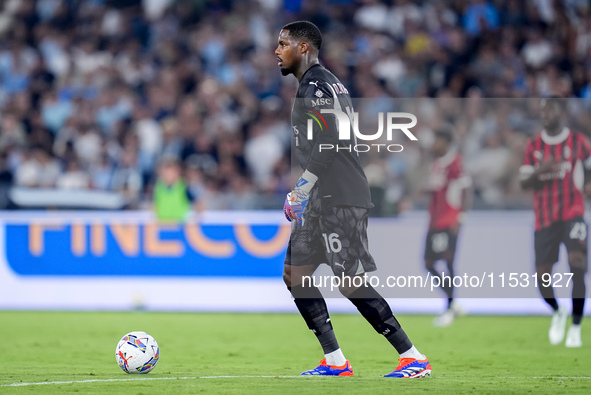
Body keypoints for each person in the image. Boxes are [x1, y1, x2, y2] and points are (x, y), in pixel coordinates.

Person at [276, 20, 430, 378]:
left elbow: (328, 141)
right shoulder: (327, 83)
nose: (276, 51)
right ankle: (335, 360)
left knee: (350, 281)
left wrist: (302, 186)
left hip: (339, 195)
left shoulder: (315, 86)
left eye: (283, 44)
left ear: (303, 48)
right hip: (323, 196)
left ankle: (413, 356)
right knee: (295, 273)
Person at [520, 97, 588, 348]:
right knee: (542, 277)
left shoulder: (578, 142)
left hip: (573, 212)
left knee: (577, 263)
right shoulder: (534, 146)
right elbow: (524, 183)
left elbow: (589, 168)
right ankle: (558, 311)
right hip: (545, 219)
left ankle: (577, 326)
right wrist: (541, 169)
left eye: (550, 110)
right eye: (543, 111)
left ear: (562, 112)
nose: (545, 115)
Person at [423, 128, 471, 327]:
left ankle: (450, 307)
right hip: (434, 221)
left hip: (449, 220)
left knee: (448, 262)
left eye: (437, 140)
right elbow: (438, 190)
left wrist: (461, 217)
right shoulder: (435, 165)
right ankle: (453, 302)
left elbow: (466, 190)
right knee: (428, 263)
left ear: (445, 142)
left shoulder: (455, 163)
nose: (434, 145)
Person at [153, 156, 201, 222]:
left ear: (177, 173)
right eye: (165, 173)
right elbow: (156, 203)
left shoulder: (183, 186)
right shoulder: (158, 187)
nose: (168, 175)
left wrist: (198, 212)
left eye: (170, 173)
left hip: (179, 223)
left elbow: (196, 201)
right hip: (162, 223)